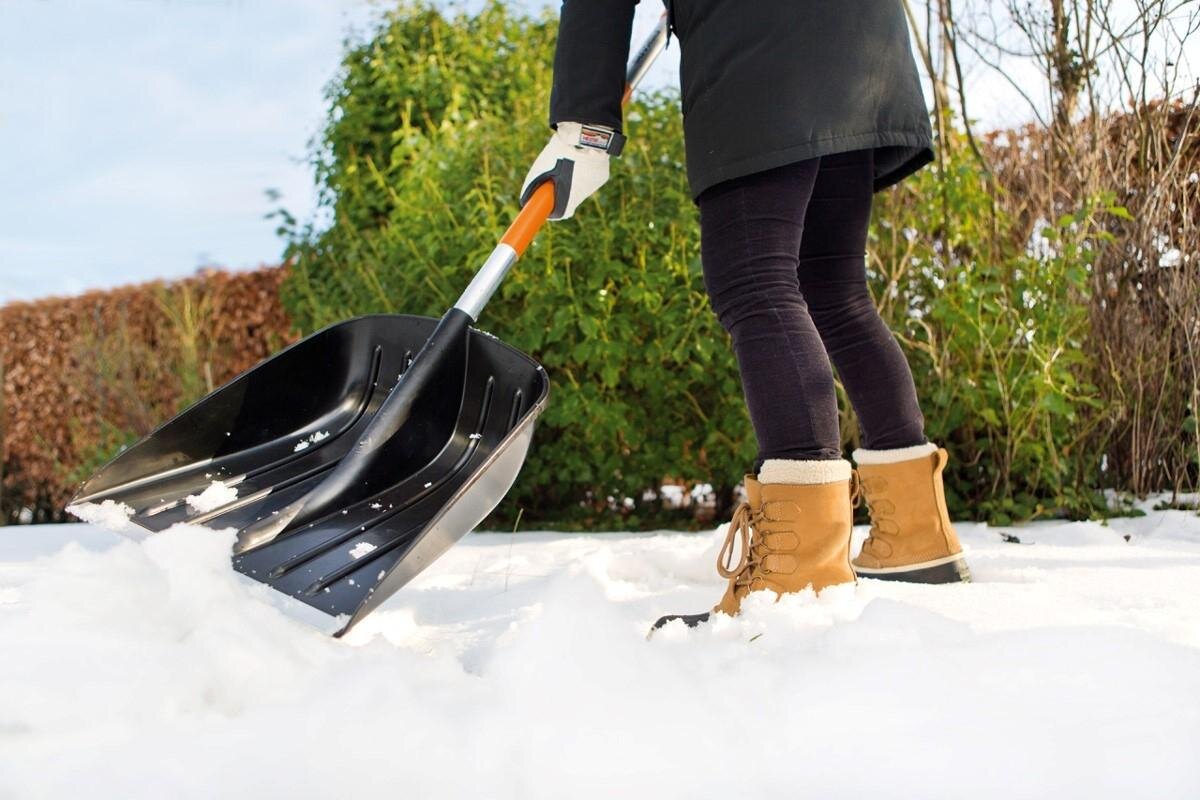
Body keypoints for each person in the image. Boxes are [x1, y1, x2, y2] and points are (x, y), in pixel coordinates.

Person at [520, 0, 970, 630]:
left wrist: (583, 128)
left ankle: (799, 574)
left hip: (763, 46)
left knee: (754, 280)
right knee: (833, 288)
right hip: (863, 43)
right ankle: (917, 535)